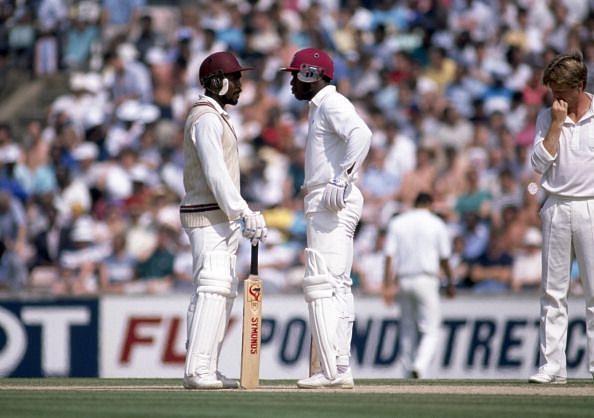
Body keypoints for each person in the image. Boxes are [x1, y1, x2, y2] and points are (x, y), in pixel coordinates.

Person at [280, 48, 372, 389]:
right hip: (328, 198)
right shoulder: (320, 108)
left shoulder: (332, 103)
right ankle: (339, 366)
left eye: (295, 75)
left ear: (310, 74)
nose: (291, 82)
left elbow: (362, 135)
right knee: (337, 285)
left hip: (331, 199)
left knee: (325, 284)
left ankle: (331, 371)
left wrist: (342, 178)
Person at [180, 51, 267, 390]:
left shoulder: (215, 116)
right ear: (217, 81)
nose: (241, 87)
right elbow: (216, 174)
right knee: (212, 288)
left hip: (218, 216)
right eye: (236, 79)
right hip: (208, 215)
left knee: (220, 291)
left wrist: (238, 214)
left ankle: (207, 367)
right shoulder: (205, 118)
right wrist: (242, 211)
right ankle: (197, 369)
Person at [529, 51, 594, 385]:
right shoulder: (548, 116)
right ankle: (552, 366)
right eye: (553, 91)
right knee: (553, 291)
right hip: (556, 204)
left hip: (591, 206)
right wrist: (556, 124)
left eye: (563, 92)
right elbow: (538, 165)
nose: (557, 98)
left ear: (580, 86)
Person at [383, 192, 455, 379]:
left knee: (407, 327)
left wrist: (387, 285)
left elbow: (389, 256)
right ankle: (420, 366)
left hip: (404, 279)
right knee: (431, 329)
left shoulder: (398, 222)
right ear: (430, 204)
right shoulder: (436, 223)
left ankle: (408, 371)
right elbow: (445, 258)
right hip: (426, 279)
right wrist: (450, 282)